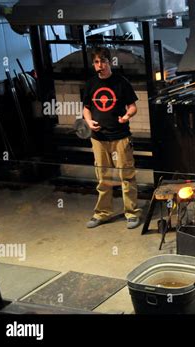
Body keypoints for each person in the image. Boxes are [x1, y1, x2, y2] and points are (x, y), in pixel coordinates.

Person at [83, 47, 142, 229]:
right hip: (98, 138)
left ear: (109, 62)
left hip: (120, 136)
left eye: (103, 61)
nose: (100, 65)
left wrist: (126, 117)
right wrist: (88, 121)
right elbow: (86, 108)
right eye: (96, 62)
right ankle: (102, 213)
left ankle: (132, 213)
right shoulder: (91, 84)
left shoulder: (121, 82)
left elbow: (132, 107)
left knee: (127, 175)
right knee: (103, 177)